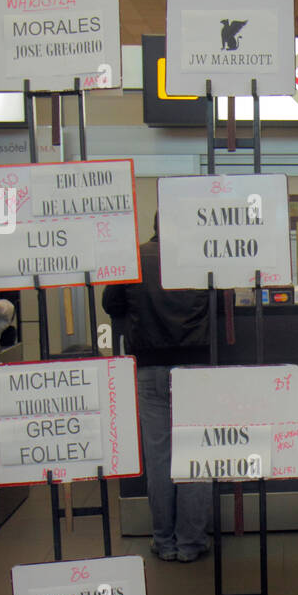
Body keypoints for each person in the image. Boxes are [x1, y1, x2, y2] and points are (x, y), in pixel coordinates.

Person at [102, 213, 213, 562]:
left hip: (148, 368)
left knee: (160, 457)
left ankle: (163, 541)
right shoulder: (200, 256)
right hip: (194, 367)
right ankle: (190, 543)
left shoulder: (134, 257)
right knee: (195, 458)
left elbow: (111, 304)